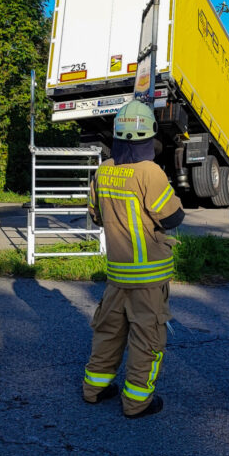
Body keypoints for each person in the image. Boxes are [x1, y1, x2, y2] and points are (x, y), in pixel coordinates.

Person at [82, 101, 184, 418]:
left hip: (118, 273)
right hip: (148, 277)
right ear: (150, 135)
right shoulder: (150, 172)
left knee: (109, 331)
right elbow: (172, 218)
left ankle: (94, 389)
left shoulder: (104, 170)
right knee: (147, 338)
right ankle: (137, 402)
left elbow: (96, 217)